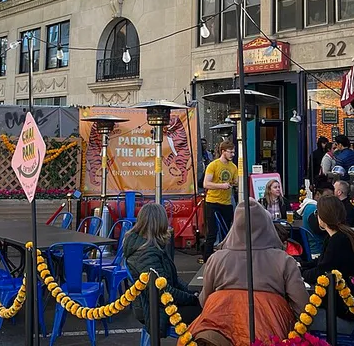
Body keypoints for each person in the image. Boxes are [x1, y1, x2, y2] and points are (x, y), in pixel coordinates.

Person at [189, 199, 309, 346]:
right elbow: (302, 306)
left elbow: (204, 300)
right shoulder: (284, 260)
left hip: (218, 334)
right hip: (268, 333)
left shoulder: (216, 259)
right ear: (267, 225)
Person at [123, 203, 201, 335]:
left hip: (159, 304)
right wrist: (192, 298)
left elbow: (171, 279)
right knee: (208, 313)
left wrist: (191, 292)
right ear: (160, 224)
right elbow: (163, 291)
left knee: (208, 306)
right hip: (156, 311)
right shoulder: (147, 254)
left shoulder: (147, 246)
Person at [301, 195, 354, 336]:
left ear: (323, 217)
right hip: (344, 300)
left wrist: (300, 273)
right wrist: (301, 265)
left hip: (342, 308)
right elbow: (321, 262)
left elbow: (322, 272)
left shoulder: (338, 241)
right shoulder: (340, 236)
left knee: (297, 311)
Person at [202, 140, 238, 262]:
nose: (232, 154)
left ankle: (225, 258)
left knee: (226, 232)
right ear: (223, 151)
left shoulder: (233, 167)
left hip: (226, 203)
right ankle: (207, 259)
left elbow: (235, 181)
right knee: (212, 232)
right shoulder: (213, 165)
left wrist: (237, 183)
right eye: (230, 152)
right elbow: (206, 184)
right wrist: (221, 186)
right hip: (212, 202)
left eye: (233, 152)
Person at [303, 181, 334, 256]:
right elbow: (318, 229)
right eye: (326, 196)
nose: (329, 200)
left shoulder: (310, 206)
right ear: (317, 194)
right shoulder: (313, 209)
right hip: (318, 250)